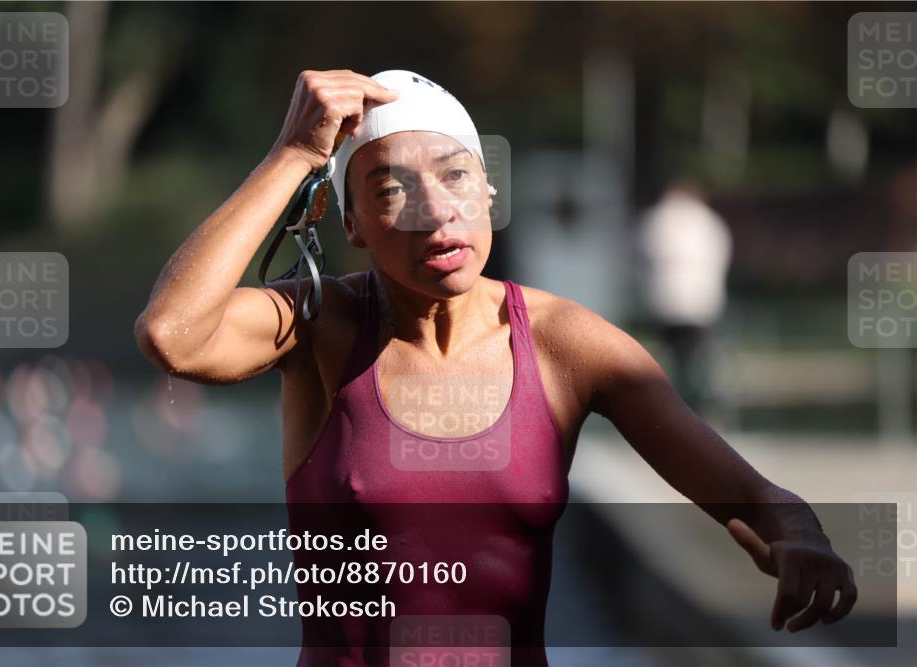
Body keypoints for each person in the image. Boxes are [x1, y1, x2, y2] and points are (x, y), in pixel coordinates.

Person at [134, 69, 856, 667]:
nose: (435, 212)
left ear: (488, 194)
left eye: (456, 178)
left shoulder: (566, 343)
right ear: (349, 223)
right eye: (391, 190)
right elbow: (173, 334)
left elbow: (754, 497)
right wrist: (292, 155)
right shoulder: (320, 327)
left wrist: (801, 535)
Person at [636, 182, 733, 414]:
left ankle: (669, 409)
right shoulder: (710, 222)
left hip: (666, 304)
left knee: (670, 362)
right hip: (701, 305)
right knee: (699, 362)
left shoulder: (656, 220)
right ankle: (701, 410)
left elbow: (641, 259)